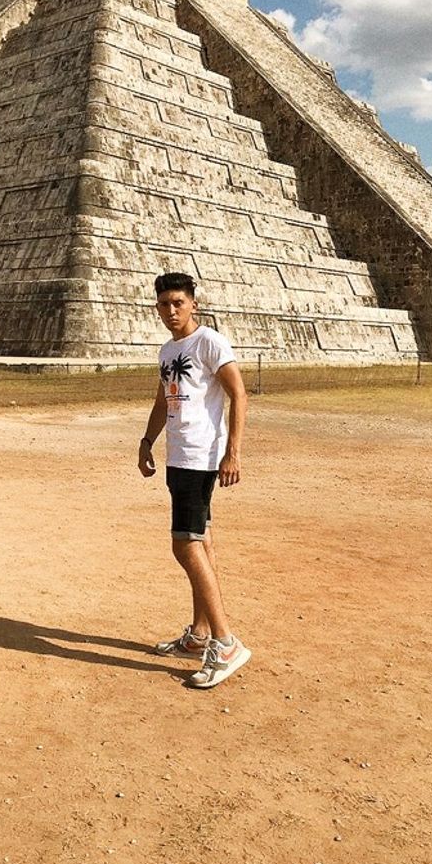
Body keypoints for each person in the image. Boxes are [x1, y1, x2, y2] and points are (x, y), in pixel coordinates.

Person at [138, 271, 250, 689]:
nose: (171, 311)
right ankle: (200, 635)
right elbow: (161, 399)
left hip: (201, 459)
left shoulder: (211, 342)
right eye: (164, 304)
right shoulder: (168, 349)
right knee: (200, 540)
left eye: (178, 303)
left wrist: (232, 453)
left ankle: (225, 643)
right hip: (177, 455)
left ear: (193, 304)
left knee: (183, 544)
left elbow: (239, 394)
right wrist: (147, 440)